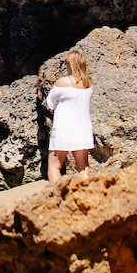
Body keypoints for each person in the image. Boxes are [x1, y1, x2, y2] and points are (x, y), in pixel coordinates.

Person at [45, 49, 94, 181]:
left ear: (70, 64)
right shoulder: (89, 83)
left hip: (64, 129)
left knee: (54, 166)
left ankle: (56, 196)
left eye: (66, 63)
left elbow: (50, 102)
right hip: (83, 128)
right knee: (83, 167)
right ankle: (86, 194)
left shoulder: (63, 82)